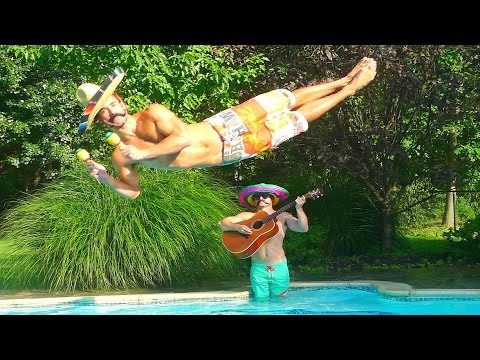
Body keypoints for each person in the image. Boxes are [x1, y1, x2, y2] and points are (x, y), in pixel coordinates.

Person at [76, 57, 377, 200]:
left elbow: (180, 139)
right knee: (295, 122)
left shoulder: (152, 114)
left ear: (119, 98)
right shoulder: (121, 156)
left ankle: (342, 80)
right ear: (100, 119)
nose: (114, 111)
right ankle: (346, 92)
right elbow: (133, 193)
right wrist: (105, 178)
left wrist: (143, 153)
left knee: (286, 99)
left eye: (113, 102)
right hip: (230, 151)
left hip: (223, 124)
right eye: (105, 111)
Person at [218, 183, 308, 299]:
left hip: (279, 267)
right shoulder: (247, 216)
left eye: (265, 195)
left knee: (280, 304)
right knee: (261, 304)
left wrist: (299, 208)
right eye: (257, 196)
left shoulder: (283, 216)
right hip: (258, 269)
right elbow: (222, 223)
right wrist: (237, 227)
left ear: (272, 199)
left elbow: (303, 228)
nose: (260, 198)